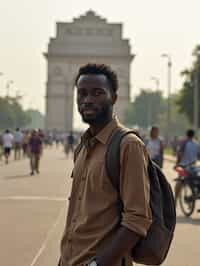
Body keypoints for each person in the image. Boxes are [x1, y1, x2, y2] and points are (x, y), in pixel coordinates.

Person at [59, 64, 152, 266]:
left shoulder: (128, 146)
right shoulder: (83, 147)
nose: (88, 100)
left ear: (114, 98)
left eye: (98, 93)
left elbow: (137, 219)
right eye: (82, 93)